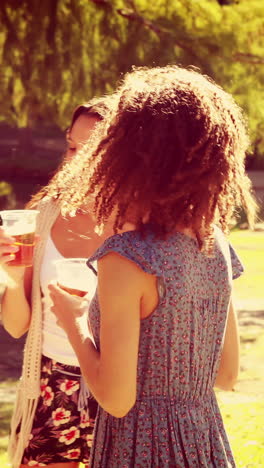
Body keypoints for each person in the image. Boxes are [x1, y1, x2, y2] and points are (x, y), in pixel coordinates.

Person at [48, 65, 257, 467]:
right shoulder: (214, 241)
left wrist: (73, 321)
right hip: (205, 445)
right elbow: (226, 374)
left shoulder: (126, 257)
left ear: (128, 154)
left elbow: (117, 398)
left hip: (137, 450)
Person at [0, 96, 115, 468]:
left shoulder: (139, 224)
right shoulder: (44, 213)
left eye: (89, 151)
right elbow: (17, 326)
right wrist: (13, 279)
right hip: (48, 384)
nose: (73, 159)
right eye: (71, 146)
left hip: (119, 386)